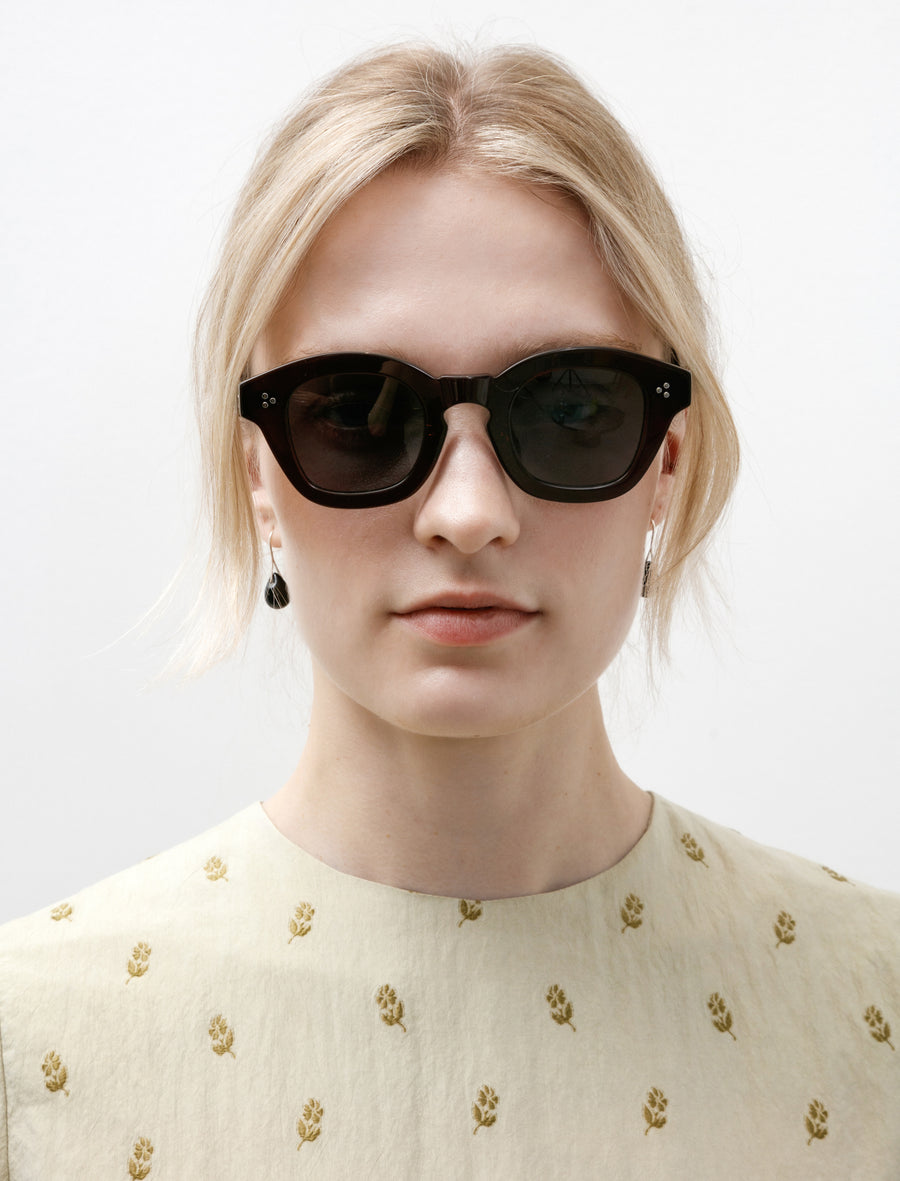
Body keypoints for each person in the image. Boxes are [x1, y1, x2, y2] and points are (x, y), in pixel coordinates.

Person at [0, 41, 897, 1180]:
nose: (469, 514)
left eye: (568, 407)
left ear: (666, 462)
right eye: (358, 412)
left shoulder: (874, 1012)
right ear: (258, 474)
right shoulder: (33, 1047)